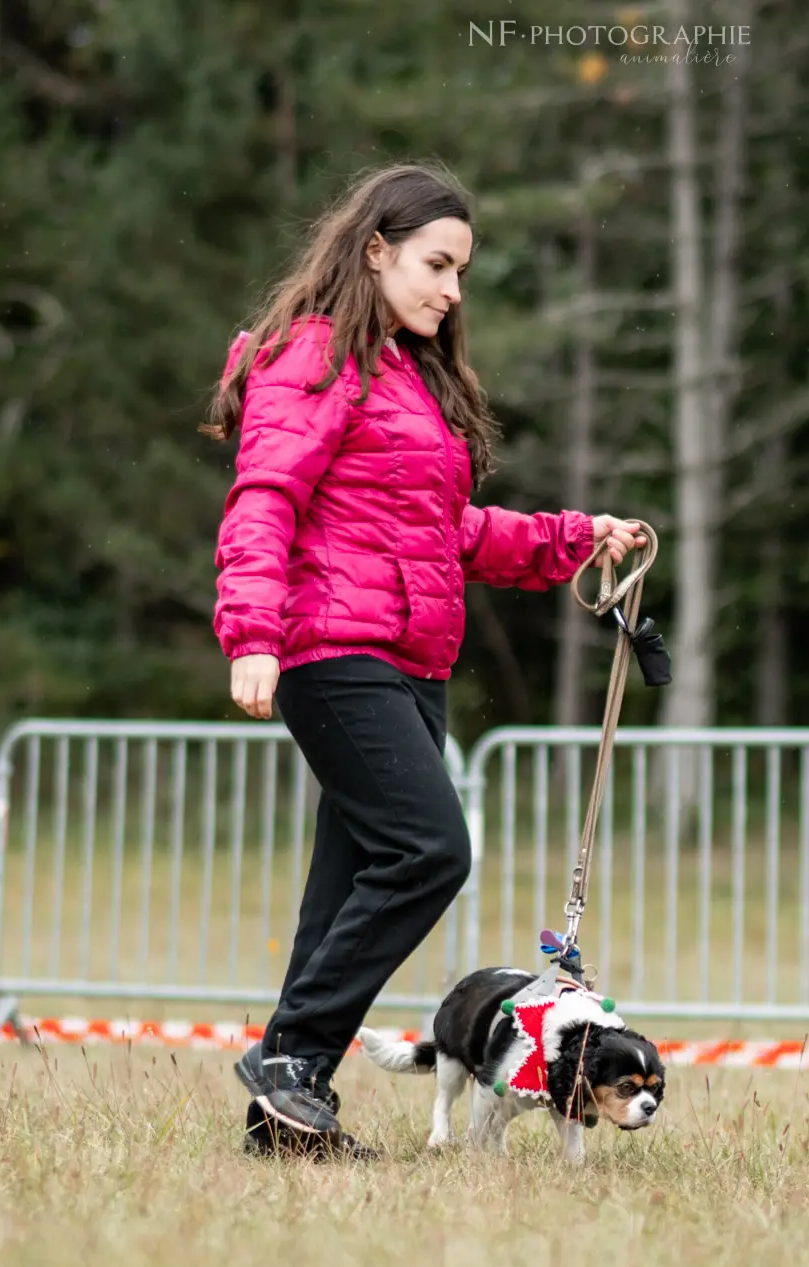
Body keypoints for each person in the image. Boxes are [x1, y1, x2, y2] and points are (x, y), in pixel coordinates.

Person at [200, 163, 646, 1158]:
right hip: (331, 649)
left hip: (412, 660)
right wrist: (254, 635)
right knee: (429, 849)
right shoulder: (310, 357)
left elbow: (445, 531)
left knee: (343, 884)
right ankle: (292, 1058)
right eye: (435, 264)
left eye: (460, 272)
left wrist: (570, 538)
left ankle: (284, 1118)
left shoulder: (405, 373)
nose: (451, 289)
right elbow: (263, 497)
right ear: (374, 250)